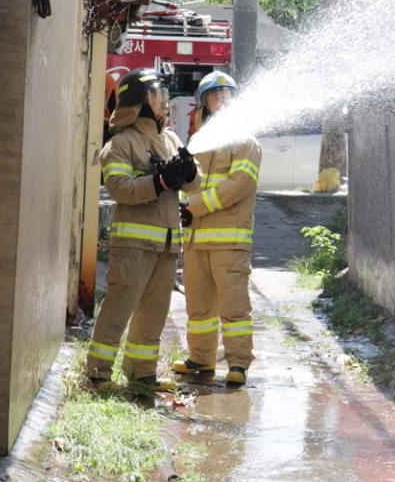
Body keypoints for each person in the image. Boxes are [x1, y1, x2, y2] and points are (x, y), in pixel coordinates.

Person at [85, 68, 201, 393]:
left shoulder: (171, 140)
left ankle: (142, 374)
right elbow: (121, 189)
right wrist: (160, 181)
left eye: (162, 95)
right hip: (134, 245)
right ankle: (97, 376)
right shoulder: (121, 144)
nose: (162, 102)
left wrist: (189, 173)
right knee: (119, 307)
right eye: (154, 95)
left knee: (154, 312)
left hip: (167, 245)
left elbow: (195, 184)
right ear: (138, 102)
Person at [172, 71, 262, 385]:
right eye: (213, 95)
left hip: (229, 242)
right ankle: (201, 358)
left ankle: (238, 364)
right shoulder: (198, 141)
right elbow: (188, 185)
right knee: (198, 305)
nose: (220, 100)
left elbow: (238, 185)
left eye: (226, 94)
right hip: (195, 239)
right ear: (204, 104)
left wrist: (195, 205)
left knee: (234, 305)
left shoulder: (245, 141)